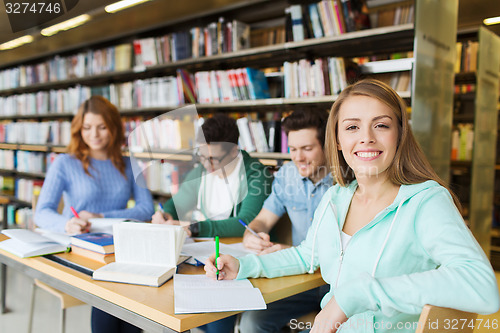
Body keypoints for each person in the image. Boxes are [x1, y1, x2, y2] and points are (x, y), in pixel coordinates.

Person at [204, 79, 500, 333]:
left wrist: (358, 293)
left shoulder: (425, 201)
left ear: (399, 134)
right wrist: (244, 265)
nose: (366, 138)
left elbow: (481, 287)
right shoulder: (337, 197)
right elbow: (308, 256)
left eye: (381, 125)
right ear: (338, 140)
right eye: (352, 127)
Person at [35, 95, 155, 333]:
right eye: (87, 128)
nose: (94, 134)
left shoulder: (130, 162)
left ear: (114, 127)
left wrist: (101, 216)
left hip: (121, 248)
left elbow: (146, 209)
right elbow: (42, 212)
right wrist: (67, 223)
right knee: (113, 292)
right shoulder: (65, 163)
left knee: (136, 297)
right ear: (79, 129)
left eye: (102, 127)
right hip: (81, 250)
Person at [239, 109, 332, 333]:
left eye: (307, 149)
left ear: (328, 145)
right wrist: (252, 234)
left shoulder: (347, 183)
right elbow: (262, 220)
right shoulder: (286, 175)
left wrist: (289, 251)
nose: (298, 157)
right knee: (252, 323)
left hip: (336, 283)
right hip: (299, 281)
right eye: (293, 149)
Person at [152, 114, 273, 238]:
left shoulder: (256, 175)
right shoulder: (202, 171)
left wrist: (196, 228)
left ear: (233, 151)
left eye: (213, 159)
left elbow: (246, 224)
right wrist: (166, 214)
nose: (206, 165)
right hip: (211, 245)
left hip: (244, 247)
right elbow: (177, 204)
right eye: (202, 156)